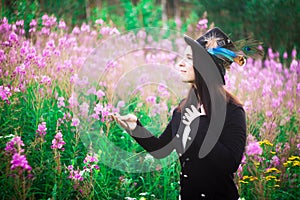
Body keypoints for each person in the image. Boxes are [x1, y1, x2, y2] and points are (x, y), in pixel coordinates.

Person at [112, 27, 263, 200]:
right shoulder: (183, 109)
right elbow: (161, 149)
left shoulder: (232, 111)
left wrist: (199, 125)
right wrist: (135, 128)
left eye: (190, 59)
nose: (180, 63)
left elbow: (229, 164)